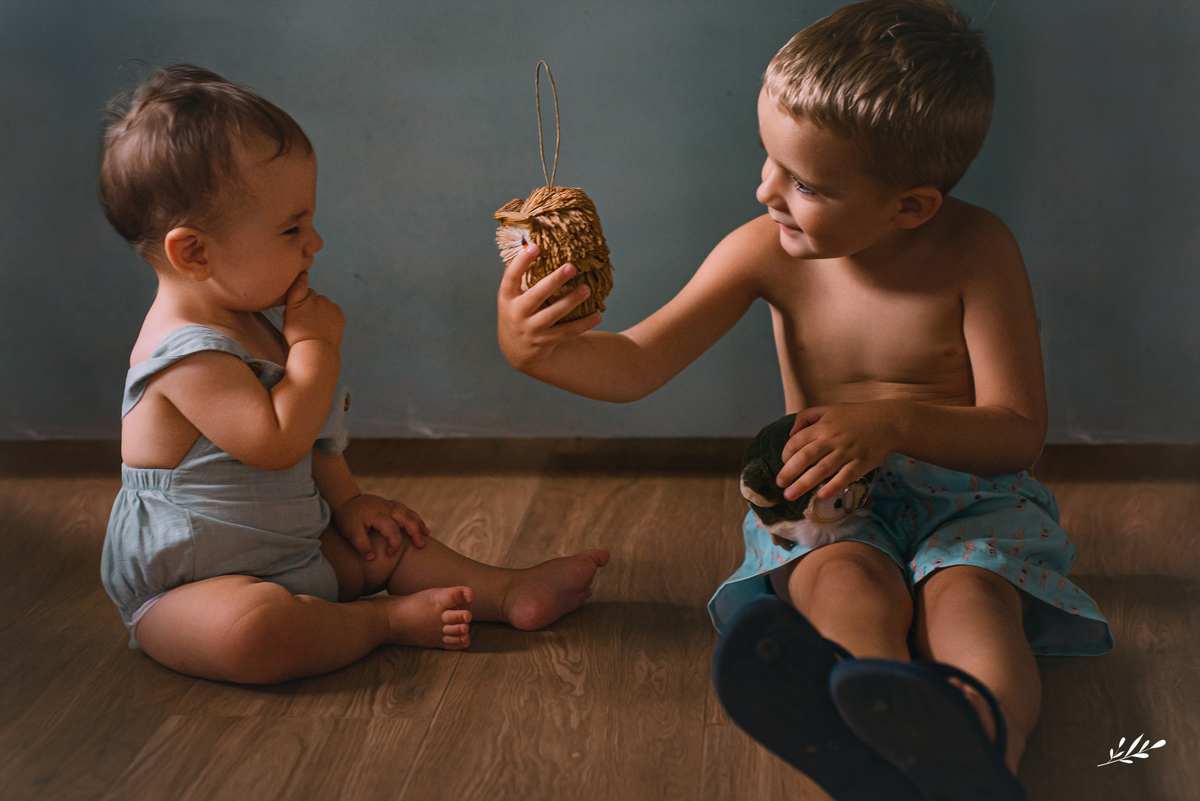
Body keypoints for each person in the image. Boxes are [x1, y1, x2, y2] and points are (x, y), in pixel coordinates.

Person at [496, 2, 1111, 798]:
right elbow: (638, 364)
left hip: (971, 500)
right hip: (830, 500)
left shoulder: (976, 249)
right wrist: (537, 351)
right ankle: (880, 717)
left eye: (805, 183)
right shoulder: (764, 252)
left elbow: (1018, 432)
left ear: (911, 205)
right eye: (769, 160)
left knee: (972, 604)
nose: (765, 191)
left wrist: (891, 421)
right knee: (843, 583)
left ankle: (983, 740)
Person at [98, 64, 608, 685]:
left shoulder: (259, 322)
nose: (314, 243)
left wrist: (347, 502)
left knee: (390, 542)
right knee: (255, 633)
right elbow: (276, 441)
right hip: (194, 588)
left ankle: (504, 591)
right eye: (291, 229)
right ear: (195, 252)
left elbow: (312, 436)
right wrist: (315, 347)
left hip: (296, 554)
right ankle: (382, 621)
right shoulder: (182, 351)